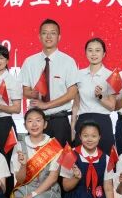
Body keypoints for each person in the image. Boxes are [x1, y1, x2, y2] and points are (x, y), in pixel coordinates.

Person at [20, 18, 79, 146]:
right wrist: (33, 93)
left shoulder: (68, 61)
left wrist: (46, 105)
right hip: (37, 123)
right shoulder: (29, 62)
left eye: (53, 33)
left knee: (62, 158)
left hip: (59, 121)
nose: (48, 36)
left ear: (59, 37)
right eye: (44, 33)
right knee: (36, 157)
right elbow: (25, 91)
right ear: (39, 36)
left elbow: (72, 93)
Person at [59, 121, 118, 198]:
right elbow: (65, 187)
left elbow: (108, 188)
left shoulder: (106, 158)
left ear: (100, 137)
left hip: (98, 197)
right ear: (80, 137)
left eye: (93, 136)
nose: (89, 139)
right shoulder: (69, 154)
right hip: (76, 197)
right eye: (85, 136)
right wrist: (76, 178)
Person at [9, 108, 63, 198]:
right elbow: (20, 180)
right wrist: (23, 165)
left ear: (45, 124)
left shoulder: (54, 146)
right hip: (25, 189)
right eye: (30, 121)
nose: (34, 124)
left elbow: (53, 178)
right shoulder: (19, 146)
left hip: (49, 190)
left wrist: (33, 194)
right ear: (25, 125)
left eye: (38, 120)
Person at [73, 38, 118, 144]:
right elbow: (76, 105)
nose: (93, 54)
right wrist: (72, 130)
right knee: (80, 154)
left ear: (104, 54)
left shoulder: (112, 75)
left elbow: (112, 107)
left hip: (103, 121)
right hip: (83, 121)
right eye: (90, 50)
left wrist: (100, 97)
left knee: (105, 154)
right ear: (85, 53)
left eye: (97, 50)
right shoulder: (78, 74)